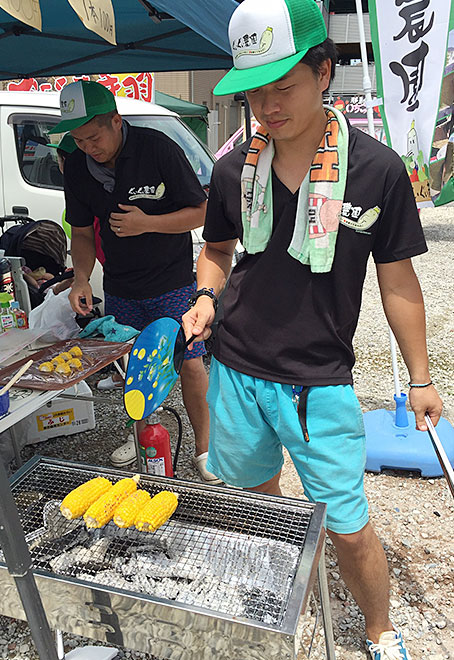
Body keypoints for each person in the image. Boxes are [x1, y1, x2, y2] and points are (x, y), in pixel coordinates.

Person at [182, 0, 443, 656]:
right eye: (256, 92)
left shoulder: (376, 170)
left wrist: (422, 377)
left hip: (320, 380)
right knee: (262, 500)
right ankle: (279, 593)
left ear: (324, 73)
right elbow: (216, 250)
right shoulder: (233, 168)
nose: (269, 106)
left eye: (284, 86)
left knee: (349, 528)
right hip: (237, 368)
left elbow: (397, 282)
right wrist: (207, 297)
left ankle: (380, 630)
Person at [50, 80, 220, 484]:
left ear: (116, 121)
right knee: (135, 365)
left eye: (94, 136)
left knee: (190, 361)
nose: (89, 146)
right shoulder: (76, 164)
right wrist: (80, 280)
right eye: (78, 138)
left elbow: (201, 211)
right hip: (122, 285)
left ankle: (205, 447)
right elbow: (82, 233)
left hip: (172, 280)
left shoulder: (156, 148)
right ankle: (144, 435)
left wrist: (148, 223)